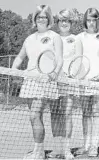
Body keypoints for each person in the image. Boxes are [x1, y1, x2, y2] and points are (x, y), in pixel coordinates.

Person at [11, 5, 63, 159]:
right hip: (30, 81)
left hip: (46, 81)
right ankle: (38, 149)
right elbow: (20, 57)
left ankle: (39, 152)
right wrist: (13, 70)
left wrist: (55, 72)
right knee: (34, 117)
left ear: (49, 19)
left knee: (35, 115)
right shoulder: (29, 38)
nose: (41, 19)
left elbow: (60, 58)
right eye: (39, 16)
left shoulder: (55, 36)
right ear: (35, 19)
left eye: (44, 16)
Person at [75, 8, 99, 157]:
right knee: (86, 113)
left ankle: (94, 146)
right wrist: (78, 76)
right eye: (89, 20)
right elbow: (77, 58)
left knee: (97, 113)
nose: (91, 23)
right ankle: (86, 144)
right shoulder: (79, 37)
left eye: (94, 20)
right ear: (85, 20)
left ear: (98, 21)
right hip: (84, 81)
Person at [48, 9, 83, 159]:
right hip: (53, 82)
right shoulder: (50, 38)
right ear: (57, 23)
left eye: (67, 20)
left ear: (71, 23)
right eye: (61, 20)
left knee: (67, 114)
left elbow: (79, 59)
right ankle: (57, 148)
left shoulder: (76, 39)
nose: (64, 23)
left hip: (68, 82)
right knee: (54, 115)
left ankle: (67, 149)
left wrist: (71, 74)